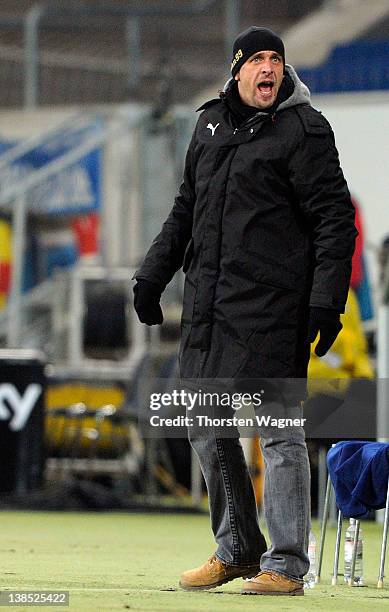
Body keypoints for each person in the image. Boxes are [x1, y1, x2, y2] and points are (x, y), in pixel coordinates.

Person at [133, 26, 357, 596]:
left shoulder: (304, 129)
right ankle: (236, 548)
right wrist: (151, 275)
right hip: (210, 308)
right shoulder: (208, 125)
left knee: (279, 434)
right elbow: (186, 209)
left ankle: (286, 565)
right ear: (237, 70)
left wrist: (327, 299)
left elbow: (335, 219)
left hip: (274, 308)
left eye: (276, 59)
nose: (269, 69)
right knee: (206, 427)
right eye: (257, 59)